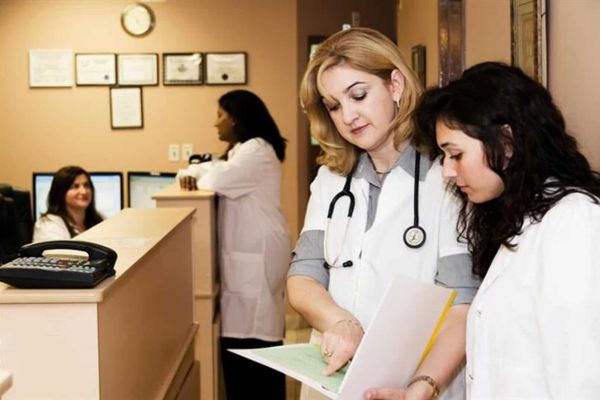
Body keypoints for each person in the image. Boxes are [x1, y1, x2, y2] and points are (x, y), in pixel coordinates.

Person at [287, 27, 480, 400]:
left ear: (395, 85)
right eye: (334, 105)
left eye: (358, 95)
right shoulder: (331, 179)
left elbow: (462, 300)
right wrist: (341, 322)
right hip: (332, 373)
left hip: (415, 378)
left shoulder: (448, 175)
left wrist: (423, 385)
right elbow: (303, 277)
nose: (348, 115)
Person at [414, 61, 600, 399]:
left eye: (455, 154)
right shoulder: (518, 221)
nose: (447, 173)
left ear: (507, 141)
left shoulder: (573, 223)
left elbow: (582, 378)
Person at [176, 89, 291, 400]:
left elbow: (215, 179)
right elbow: (207, 167)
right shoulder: (243, 149)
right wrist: (193, 170)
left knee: (254, 337)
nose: (215, 124)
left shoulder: (256, 149)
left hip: (258, 252)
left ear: (236, 118)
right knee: (248, 330)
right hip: (254, 250)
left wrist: (197, 171)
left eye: (220, 115)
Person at [33, 165, 103, 242]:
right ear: (61, 193)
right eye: (75, 186)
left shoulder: (100, 220)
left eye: (86, 185)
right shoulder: (48, 226)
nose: (84, 191)